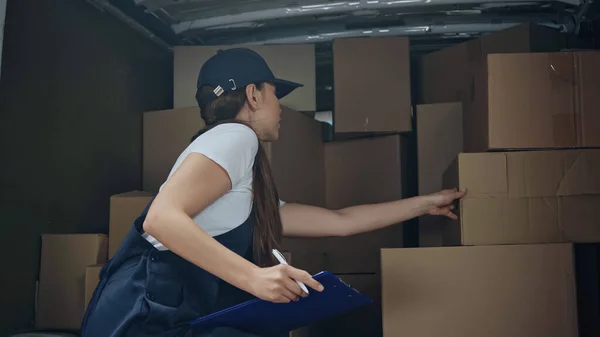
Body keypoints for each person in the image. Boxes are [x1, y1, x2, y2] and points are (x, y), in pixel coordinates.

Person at [80, 48, 466, 337]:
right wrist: (254, 278)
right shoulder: (236, 137)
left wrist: (425, 203)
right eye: (274, 92)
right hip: (139, 321)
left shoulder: (242, 181)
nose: (280, 105)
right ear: (252, 95)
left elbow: (340, 222)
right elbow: (161, 218)